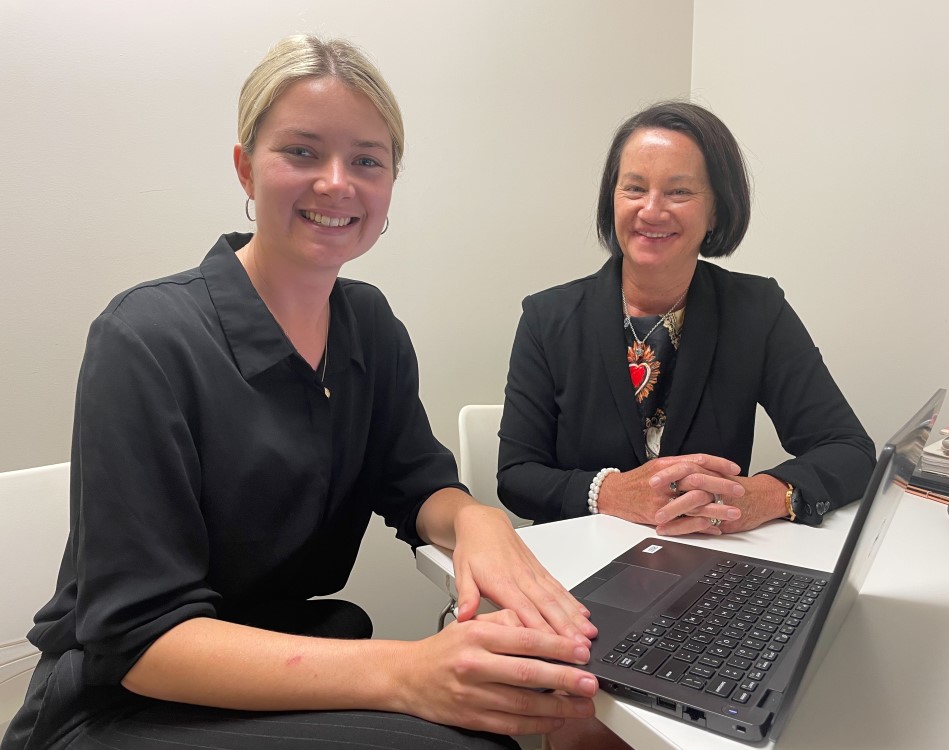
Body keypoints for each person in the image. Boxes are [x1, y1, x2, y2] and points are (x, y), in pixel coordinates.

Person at [1, 36, 601, 750]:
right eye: (303, 152)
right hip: (123, 699)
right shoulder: (146, 339)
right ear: (245, 170)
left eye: (367, 161)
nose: (337, 182)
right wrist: (408, 672)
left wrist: (477, 521)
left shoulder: (370, 326)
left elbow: (417, 484)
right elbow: (140, 637)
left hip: (282, 654)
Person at [498, 101, 876, 538]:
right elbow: (517, 476)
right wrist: (609, 492)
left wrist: (764, 495)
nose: (652, 210)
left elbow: (849, 450)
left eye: (679, 192)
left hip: (706, 564)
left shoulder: (756, 310)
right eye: (634, 188)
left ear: (716, 209)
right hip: (578, 567)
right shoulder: (548, 318)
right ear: (612, 199)